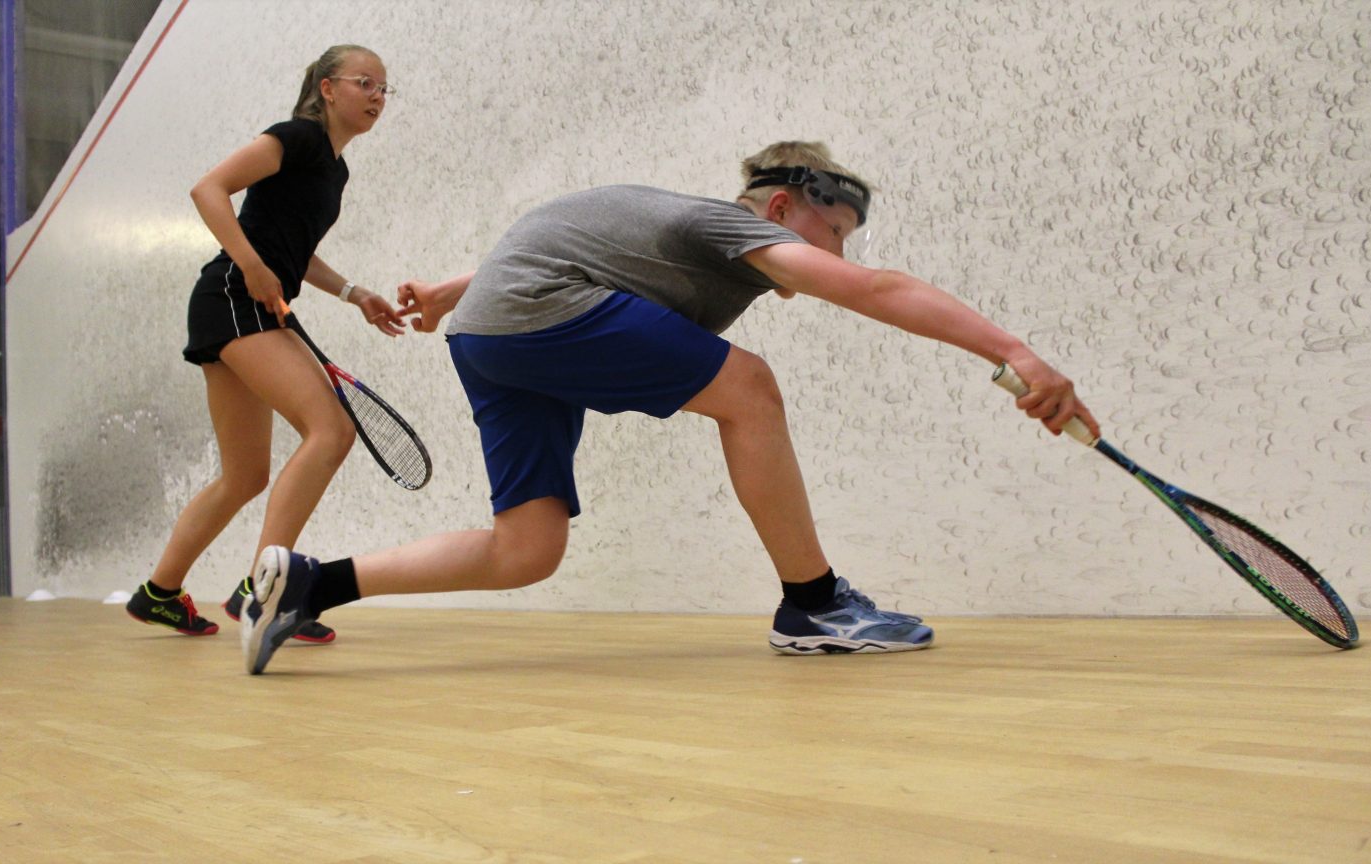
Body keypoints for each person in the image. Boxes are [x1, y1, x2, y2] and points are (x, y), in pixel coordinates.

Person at [239, 141, 1100, 673]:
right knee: (749, 387)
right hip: (536, 312)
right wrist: (1014, 353)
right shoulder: (727, 228)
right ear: (779, 207)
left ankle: (312, 584)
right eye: (833, 231)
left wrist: (451, 291)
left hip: (490, 334)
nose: (840, 253)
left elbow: (566, 228)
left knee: (527, 548)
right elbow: (875, 289)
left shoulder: (671, 221)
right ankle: (813, 604)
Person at [125, 44, 404, 642]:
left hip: (236, 304)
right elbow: (209, 189)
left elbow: (295, 250)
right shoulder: (296, 137)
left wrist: (355, 293)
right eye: (365, 83)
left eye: (384, 88)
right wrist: (251, 266)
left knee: (245, 474)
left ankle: (160, 593)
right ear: (327, 88)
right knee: (331, 431)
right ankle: (266, 591)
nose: (378, 97)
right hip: (233, 297)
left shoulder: (335, 169)